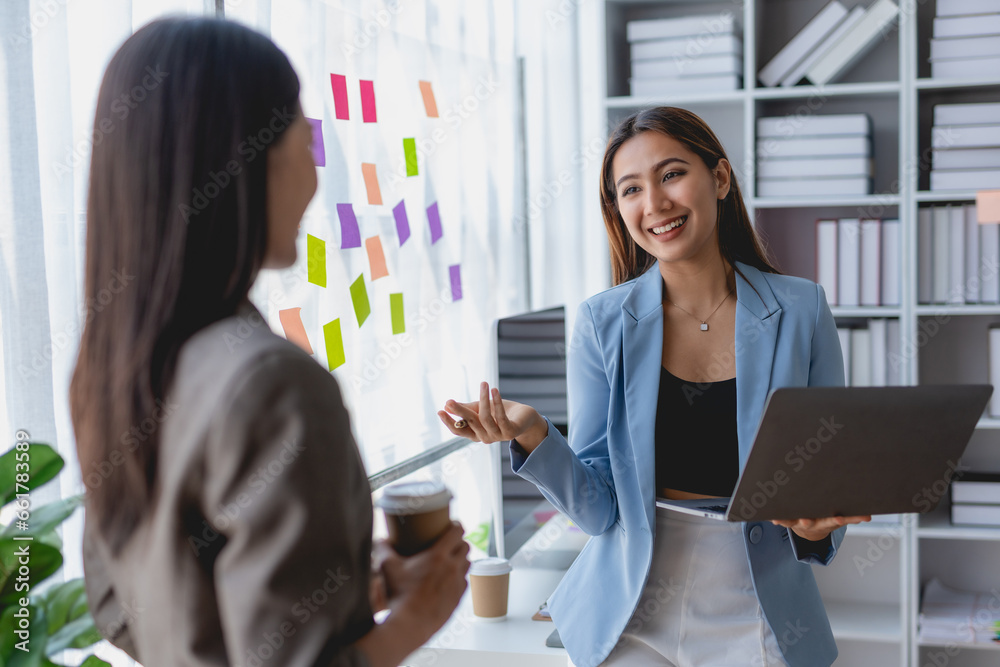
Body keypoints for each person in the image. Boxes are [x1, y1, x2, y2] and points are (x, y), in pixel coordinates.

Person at [70, 17, 469, 667]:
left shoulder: (121, 369)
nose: (315, 177)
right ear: (247, 157)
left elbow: (124, 608)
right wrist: (415, 618)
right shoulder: (272, 384)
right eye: (302, 139)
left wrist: (354, 582)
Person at [438, 107, 871, 667]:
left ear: (718, 179)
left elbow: (824, 479)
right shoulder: (603, 323)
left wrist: (814, 528)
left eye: (671, 175)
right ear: (618, 210)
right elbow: (599, 512)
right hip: (630, 610)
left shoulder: (801, 309)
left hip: (757, 605)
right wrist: (535, 435)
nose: (655, 204)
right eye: (631, 189)